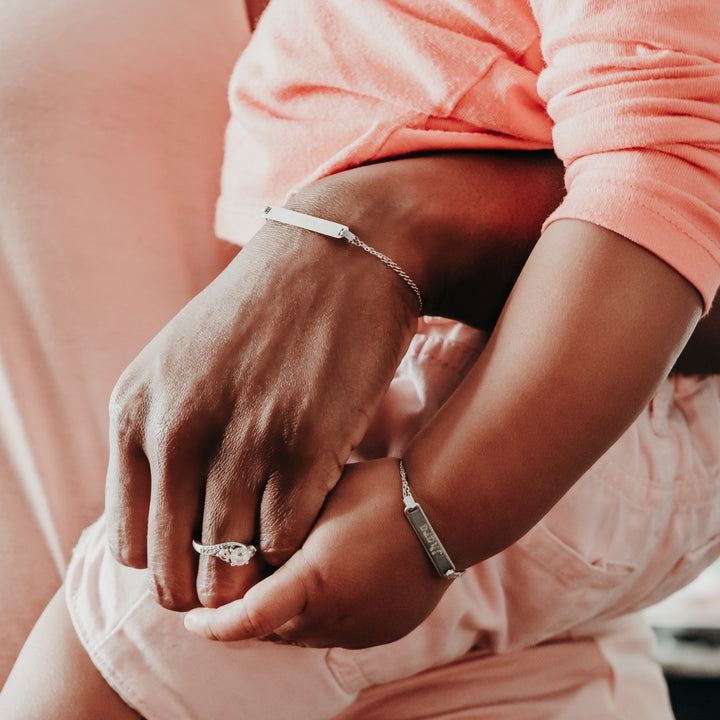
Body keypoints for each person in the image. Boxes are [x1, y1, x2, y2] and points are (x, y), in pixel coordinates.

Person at [2, 0, 720, 718]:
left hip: (487, 379)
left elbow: (665, 159)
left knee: (102, 661)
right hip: (477, 378)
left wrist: (432, 518)